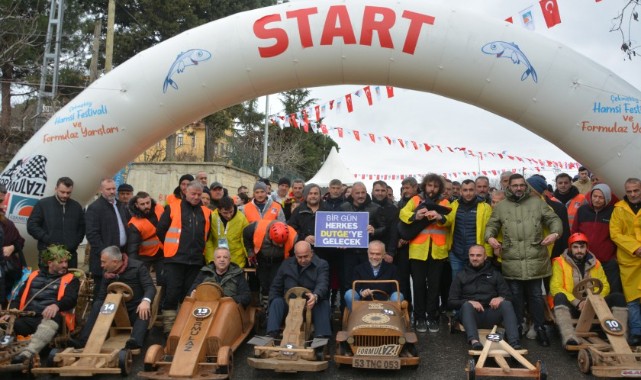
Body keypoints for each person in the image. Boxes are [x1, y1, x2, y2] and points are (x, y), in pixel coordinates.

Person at [485, 173, 563, 347]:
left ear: (525, 186)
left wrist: (555, 233)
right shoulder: (501, 206)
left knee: (536, 296)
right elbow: (491, 225)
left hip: (535, 258)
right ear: (509, 187)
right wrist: (489, 237)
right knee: (515, 296)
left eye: (522, 185)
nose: (518, 188)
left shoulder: (537, 203)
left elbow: (553, 219)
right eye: (515, 185)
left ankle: (540, 327)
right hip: (512, 257)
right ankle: (517, 327)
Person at [550, 233, 627, 347]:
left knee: (618, 297)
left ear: (587, 248)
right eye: (576, 247)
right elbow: (555, 287)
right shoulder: (559, 262)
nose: (579, 250)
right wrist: (578, 303)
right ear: (570, 248)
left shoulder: (596, 263)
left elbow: (605, 285)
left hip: (594, 306)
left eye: (582, 247)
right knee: (559, 296)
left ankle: (620, 337)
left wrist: (592, 301)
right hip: (573, 306)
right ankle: (569, 337)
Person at [156, 180, 211, 334]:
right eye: (193, 194)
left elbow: (206, 235)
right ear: (186, 192)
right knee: (172, 292)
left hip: (195, 260)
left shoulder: (206, 212)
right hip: (174, 259)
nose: (196, 197)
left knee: (189, 293)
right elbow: (161, 230)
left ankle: (184, 324)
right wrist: (169, 246)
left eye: (199, 195)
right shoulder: (173, 208)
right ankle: (169, 327)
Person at [76, 246, 156, 351]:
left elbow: (150, 287)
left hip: (134, 308)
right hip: (114, 309)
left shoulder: (138, 267)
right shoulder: (107, 273)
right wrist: (101, 309)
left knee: (144, 310)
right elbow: (101, 296)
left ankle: (135, 342)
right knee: (97, 304)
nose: (102, 265)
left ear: (114, 262)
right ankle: (83, 340)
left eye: (104, 262)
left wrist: (145, 301)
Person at [9, 245, 79, 364]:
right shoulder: (33, 276)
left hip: (51, 317)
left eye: (66, 262)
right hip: (27, 317)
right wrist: (12, 312)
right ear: (50, 263)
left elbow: (71, 299)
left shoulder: (71, 279)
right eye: (61, 262)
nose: (65, 265)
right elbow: (18, 297)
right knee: (5, 325)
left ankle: (28, 353)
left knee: (50, 319)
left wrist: (56, 305)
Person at [399, 173, 450, 333]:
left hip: (438, 251)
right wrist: (415, 215)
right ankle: (420, 317)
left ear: (439, 188)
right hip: (418, 250)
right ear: (424, 185)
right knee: (419, 285)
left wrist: (440, 217)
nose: (432, 189)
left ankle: (432, 316)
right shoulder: (415, 200)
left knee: (434, 286)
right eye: (430, 185)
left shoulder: (445, 202)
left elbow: (451, 219)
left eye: (435, 186)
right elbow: (402, 213)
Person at [448, 245, 522, 350]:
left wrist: (500, 298)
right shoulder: (461, 275)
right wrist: (469, 302)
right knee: (467, 305)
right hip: (470, 315)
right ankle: (475, 341)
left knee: (506, 304)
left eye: (478, 255)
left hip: (491, 313)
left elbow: (509, 296)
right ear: (468, 256)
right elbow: (451, 302)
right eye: (472, 255)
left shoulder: (495, 274)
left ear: (485, 257)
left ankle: (514, 343)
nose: (475, 258)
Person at [265, 241, 330, 339]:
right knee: (276, 302)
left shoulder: (322, 264)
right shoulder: (286, 264)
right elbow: (276, 286)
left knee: (322, 303)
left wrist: (315, 296)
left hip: (311, 305)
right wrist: (271, 305)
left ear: (311, 253)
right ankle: (271, 334)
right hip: (289, 305)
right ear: (295, 255)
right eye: (300, 257)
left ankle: (321, 338)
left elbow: (323, 283)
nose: (303, 260)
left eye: (306, 256)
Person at [339, 182, 386, 310]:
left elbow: (384, 228)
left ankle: (370, 311)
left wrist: (374, 231)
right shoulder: (343, 207)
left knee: (368, 282)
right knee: (347, 284)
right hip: (348, 252)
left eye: (363, 192)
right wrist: (339, 241)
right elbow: (337, 227)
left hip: (367, 253)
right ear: (351, 194)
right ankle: (347, 314)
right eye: (357, 193)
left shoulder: (375, 208)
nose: (361, 195)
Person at [572, 183, 622, 293]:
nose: (597, 200)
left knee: (612, 289)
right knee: (588, 289)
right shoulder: (582, 210)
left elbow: (618, 235)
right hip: (586, 259)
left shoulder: (613, 212)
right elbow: (575, 232)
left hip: (607, 260)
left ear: (607, 198)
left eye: (601, 197)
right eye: (595, 196)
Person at [609, 177, 641, 346]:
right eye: (629, 191)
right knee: (633, 300)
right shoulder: (619, 209)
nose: (633, 194)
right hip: (629, 260)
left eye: (636, 190)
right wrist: (635, 248)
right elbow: (615, 234)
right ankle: (636, 333)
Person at [27, 176, 85, 268]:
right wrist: (47, 238)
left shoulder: (76, 207)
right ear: (56, 189)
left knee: (70, 281)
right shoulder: (43, 204)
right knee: (48, 282)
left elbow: (81, 228)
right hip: (48, 254)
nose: (65, 195)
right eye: (62, 192)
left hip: (70, 255)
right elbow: (32, 225)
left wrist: (75, 242)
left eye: (68, 193)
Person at [439, 179, 492, 278]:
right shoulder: (453, 206)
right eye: (465, 190)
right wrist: (439, 217)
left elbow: (488, 231)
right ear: (460, 191)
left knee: (476, 283)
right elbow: (447, 222)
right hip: (456, 253)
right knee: (457, 282)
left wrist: (488, 254)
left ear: (475, 190)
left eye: (471, 190)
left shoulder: (485, 207)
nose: (468, 193)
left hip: (476, 255)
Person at [85, 178, 129, 296]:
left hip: (121, 256)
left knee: (119, 293)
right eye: (108, 189)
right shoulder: (95, 208)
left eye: (114, 188)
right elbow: (92, 234)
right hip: (104, 260)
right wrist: (105, 254)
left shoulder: (121, 206)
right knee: (102, 294)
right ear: (101, 190)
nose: (112, 192)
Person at [243, 220, 296, 309]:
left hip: (280, 261)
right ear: (270, 237)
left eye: (282, 243)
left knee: (277, 284)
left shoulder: (294, 237)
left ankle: (276, 306)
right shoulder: (254, 229)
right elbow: (245, 235)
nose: (280, 246)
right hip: (262, 259)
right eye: (278, 243)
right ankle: (265, 308)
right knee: (264, 284)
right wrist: (250, 251)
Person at [344, 241, 403, 311]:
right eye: (372, 253)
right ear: (368, 253)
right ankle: (354, 318)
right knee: (349, 294)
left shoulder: (393, 269)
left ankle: (393, 319)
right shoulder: (358, 268)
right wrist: (362, 292)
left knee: (398, 295)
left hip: (386, 303)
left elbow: (396, 289)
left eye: (378, 254)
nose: (374, 257)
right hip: (363, 303)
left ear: (384, 255)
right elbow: (355, 287)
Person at [527, 175, 570, 259]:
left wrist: (563, 257)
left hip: (555, 254)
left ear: (540, 192)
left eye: (529, 190)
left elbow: (565, 235)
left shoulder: (559, 208)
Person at [126, 191, 165, 281]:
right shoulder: (134, 223)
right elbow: (132, 248)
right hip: (144, 256)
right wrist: (134, 268)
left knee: (163, 280)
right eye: (142, 204)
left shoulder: (159, 209)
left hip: (162, 252)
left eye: (148, 203)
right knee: (143, 280)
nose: (146, 206)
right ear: (136, 205)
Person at [204, 196, 249, 268]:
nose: (229, 215)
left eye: (231, 211)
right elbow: (208, 240)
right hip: (217, 261)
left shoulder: (242, 218)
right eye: (225, 213)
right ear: (219, 210)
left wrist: (249, 256)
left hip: (236, 262)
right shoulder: (212, 218)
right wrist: (211, 260)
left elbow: (245, 240)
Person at [0, 185, 26, 302]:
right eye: (0, 201)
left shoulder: (6, 223)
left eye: (3, 201)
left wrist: (12, 247)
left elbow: (20, 241)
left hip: (6, 275)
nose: (3, 206)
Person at [371, 180, 399, 256]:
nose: (380, 193)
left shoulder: (393, 209)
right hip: (368, 251)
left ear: (386, 192)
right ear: (372, 192)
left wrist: (390, 253)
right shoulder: (366, 207)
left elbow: (394, 233)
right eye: (377, 190)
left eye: (383, 190)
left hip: (386, 251)